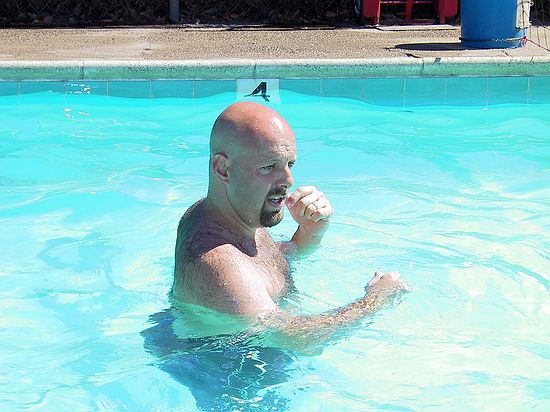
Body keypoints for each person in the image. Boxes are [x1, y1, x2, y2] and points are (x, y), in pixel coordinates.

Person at [172, 101, 406, 335]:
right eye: (269, 167)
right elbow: (294, 336)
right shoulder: (220, 268)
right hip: (237, 357)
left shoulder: (229, 216)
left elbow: (258, 264)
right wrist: (375, 300)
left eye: (289, 164)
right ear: (223, 169)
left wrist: (308, 235)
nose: (288, 180)